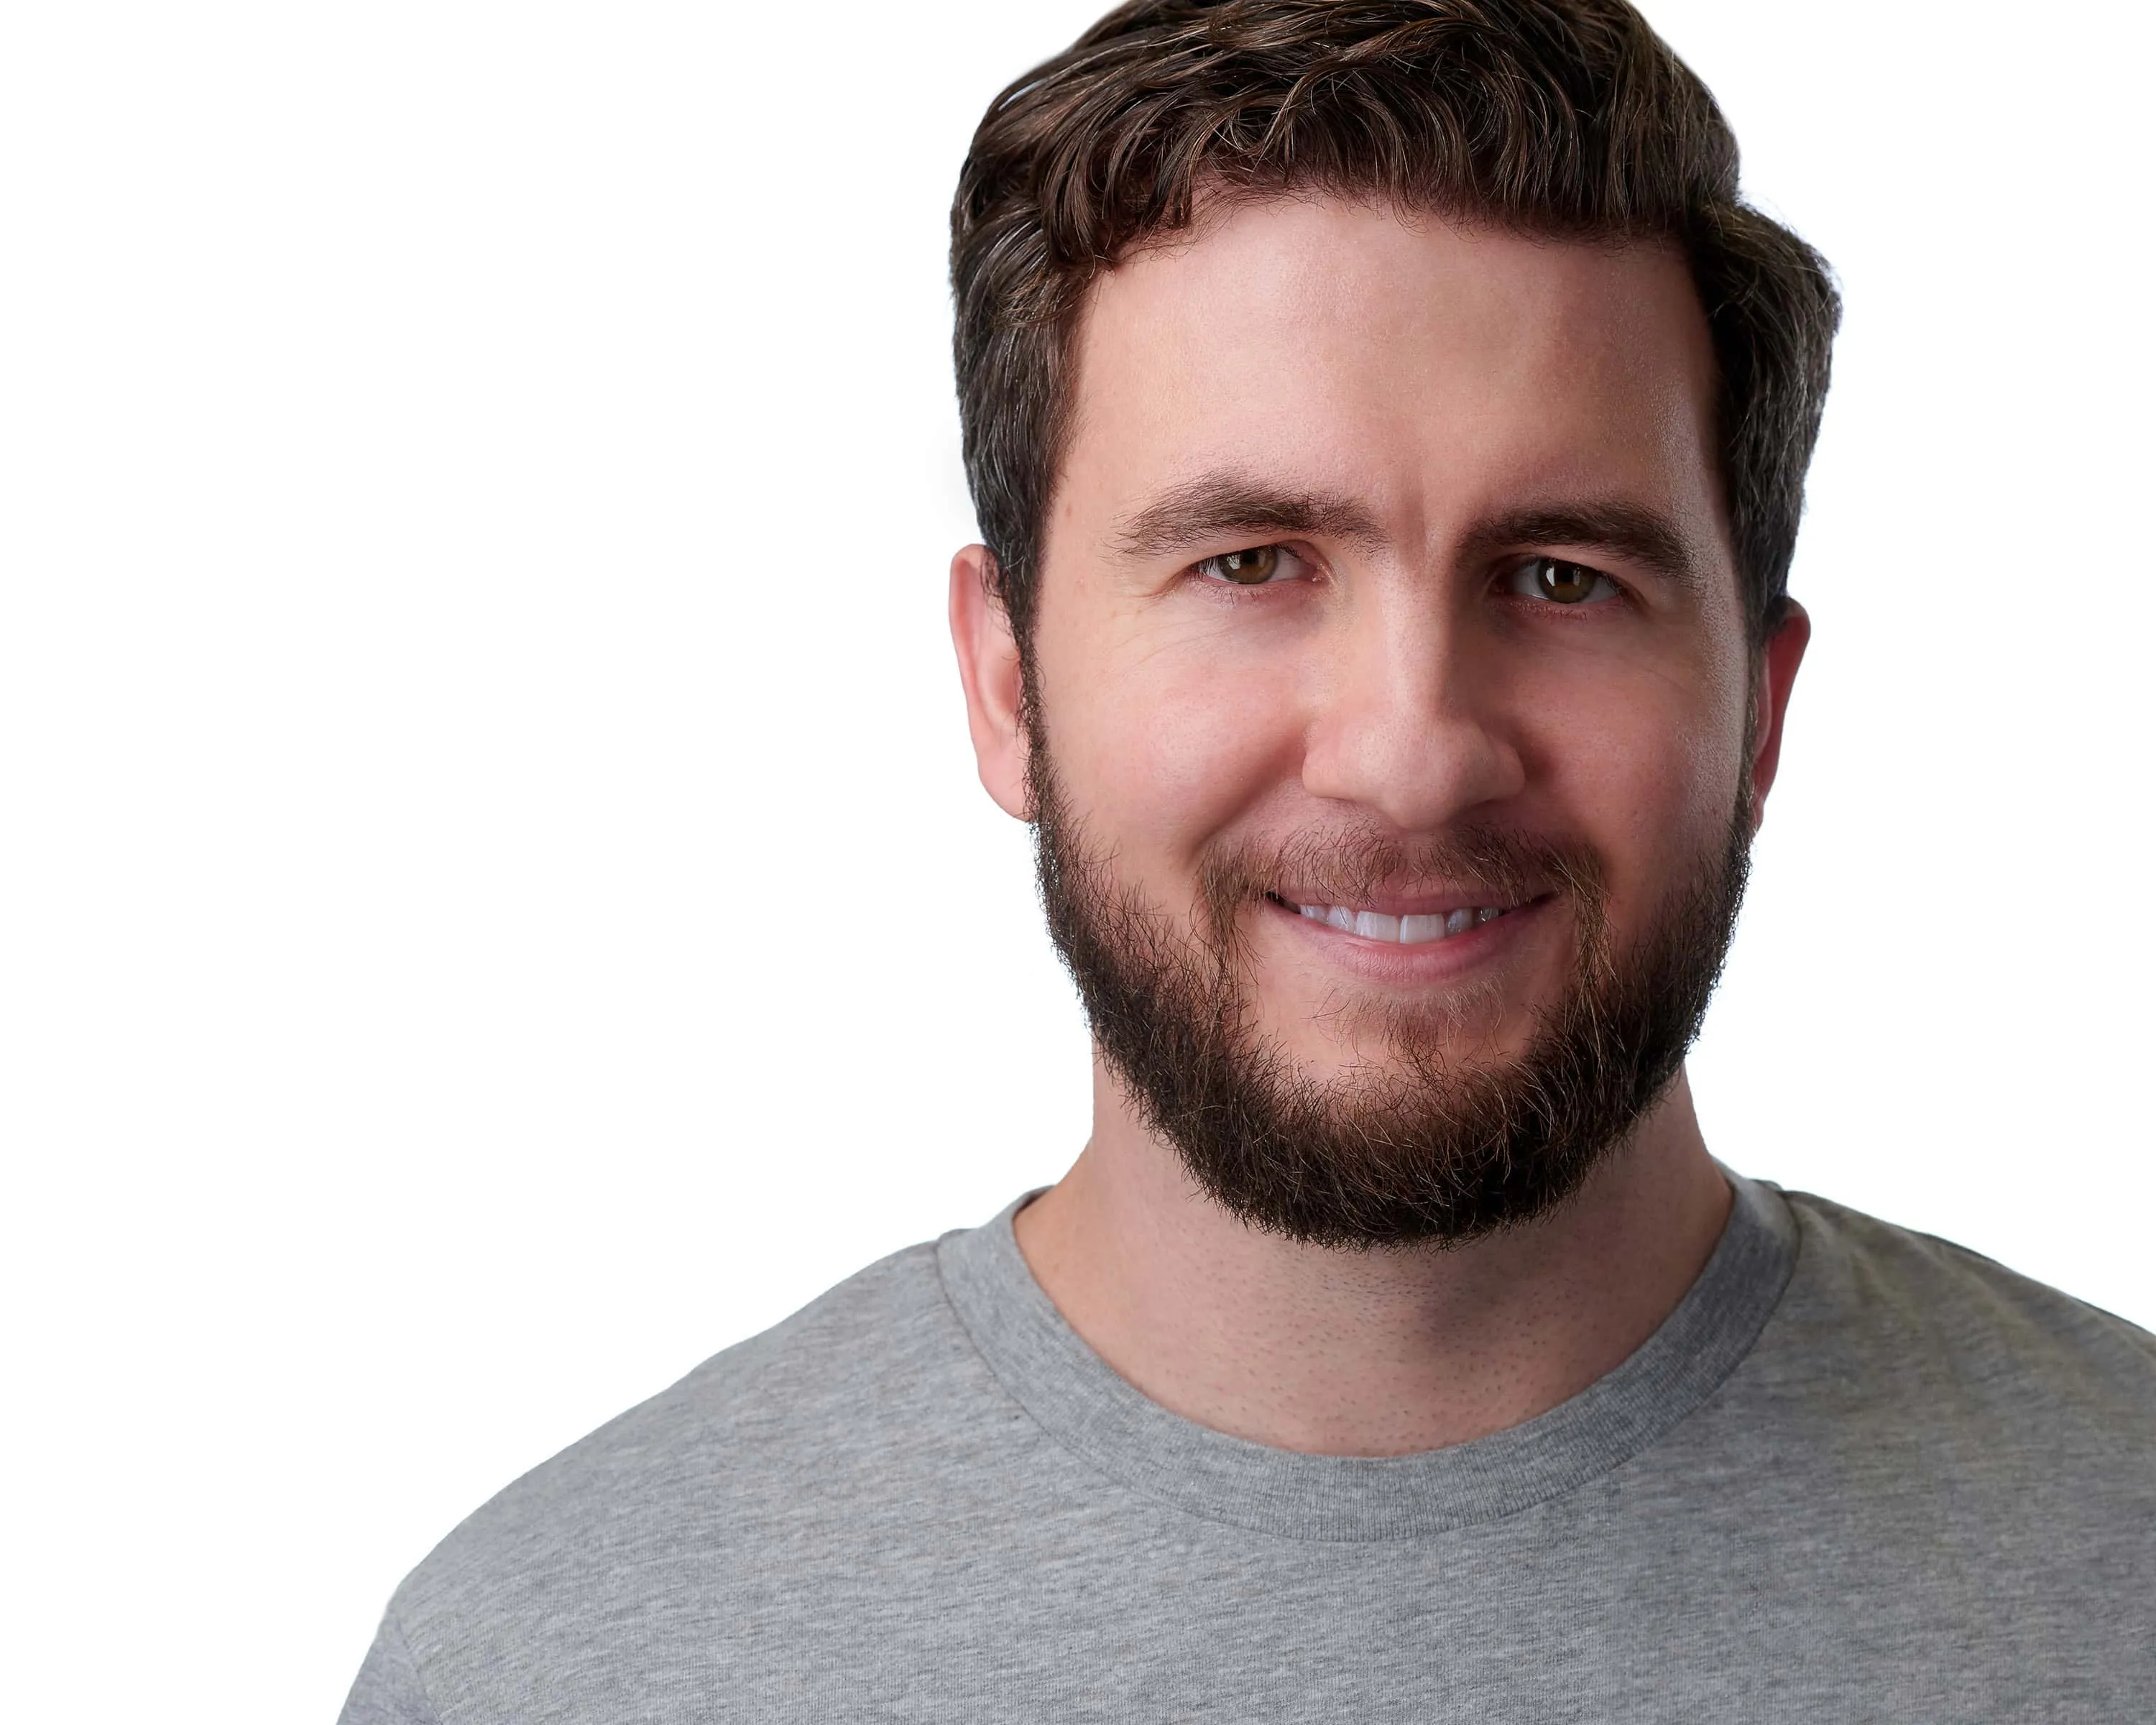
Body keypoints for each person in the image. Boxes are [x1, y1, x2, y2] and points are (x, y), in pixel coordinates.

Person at [340, 2, 2156, 1718]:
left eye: (1562, 577)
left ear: (1760, 712)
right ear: (1007, 684)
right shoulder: (555, 1668)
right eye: (1253, 564)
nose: (1412, 752)